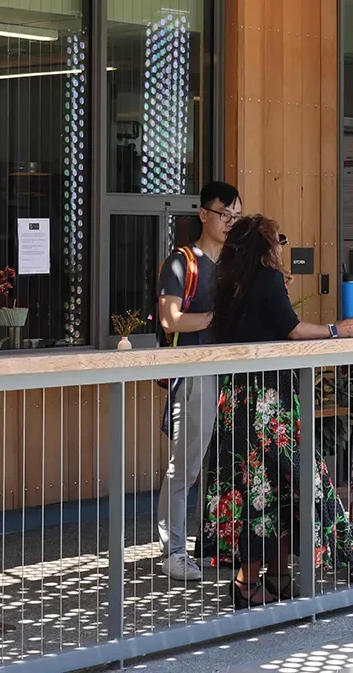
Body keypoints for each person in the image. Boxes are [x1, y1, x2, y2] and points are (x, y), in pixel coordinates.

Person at [201, 215, 353, 607]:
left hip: (236, 397)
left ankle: (267, 577)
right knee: (282, 484)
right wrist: (336, 330)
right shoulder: (267, 280)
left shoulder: (227, 282)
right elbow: (291, 329)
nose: (282, 246)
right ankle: (251, 581)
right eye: (279, 240)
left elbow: (249, 324)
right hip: (270, 396)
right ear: (265, 245)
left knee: (252, 487)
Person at [155, 181, 242, 582]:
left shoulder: (235, 264)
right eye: (224, 214)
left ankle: (219, 542)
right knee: (185, 464)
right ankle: (172, 549)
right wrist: (218, 318)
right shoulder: (181, 262)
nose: (230, 222)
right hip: (194, 371)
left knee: (229, 462)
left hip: (233, 371)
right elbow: (170, 319)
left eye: (236, 216)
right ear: (203, 213)